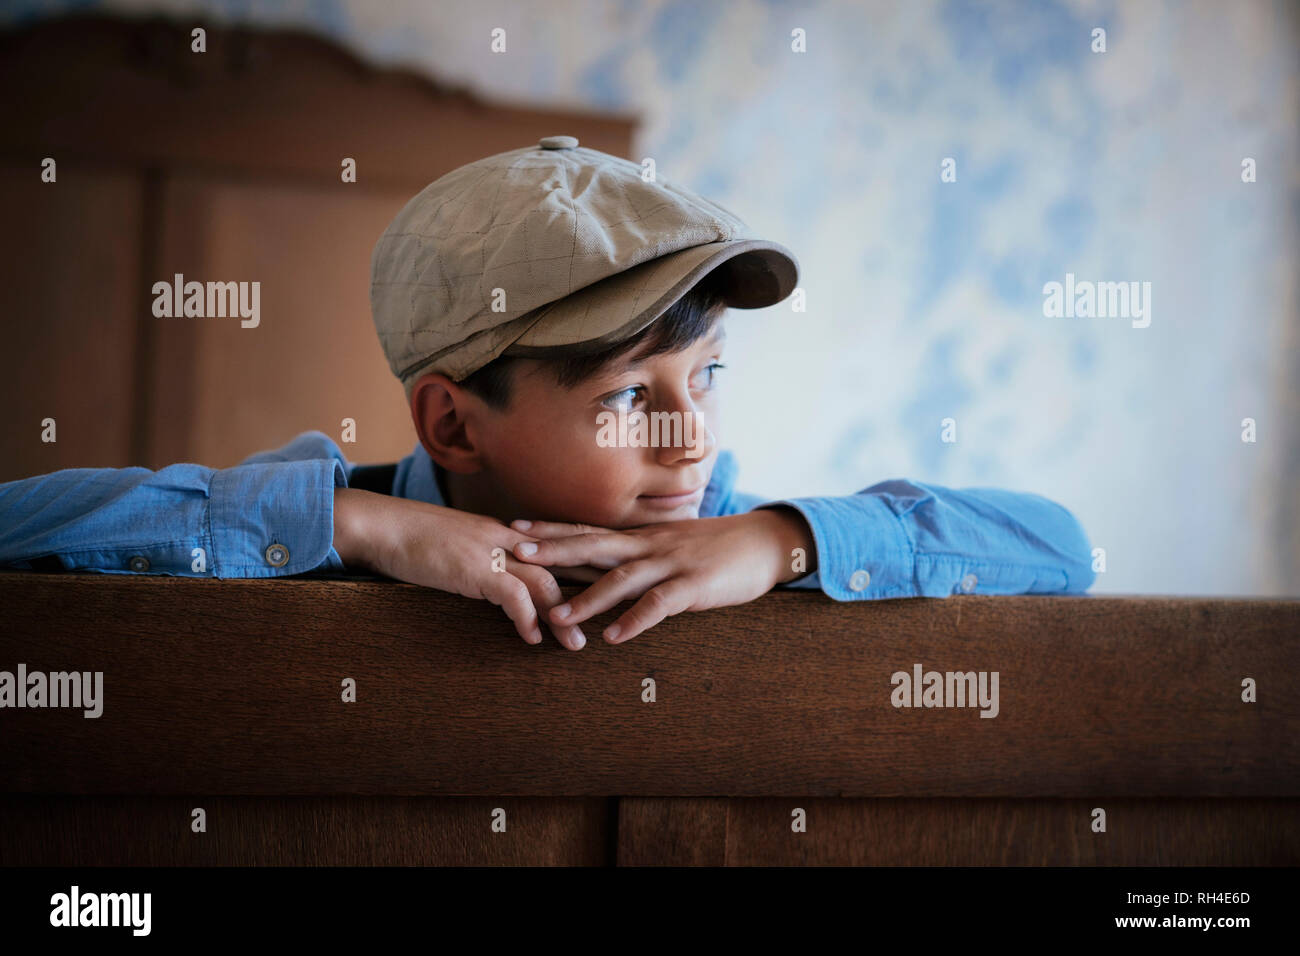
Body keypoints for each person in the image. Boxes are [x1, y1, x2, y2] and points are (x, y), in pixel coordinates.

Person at [0, 135, 1096, 651]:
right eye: (626, 397)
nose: (691, 438)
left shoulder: (735, 541)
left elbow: (1061, 550)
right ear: (450, 422)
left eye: (706, 373)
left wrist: (781, 542)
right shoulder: (321, 517)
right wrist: (359, 522)